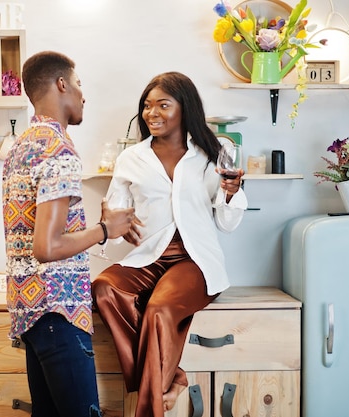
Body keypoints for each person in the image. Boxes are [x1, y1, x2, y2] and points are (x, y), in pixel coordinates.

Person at [92, 72, 248, 417]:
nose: (152, 113)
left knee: (158, 310)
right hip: (148, 258)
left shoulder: (214, 153)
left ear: (184, 108)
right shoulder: (131, 158)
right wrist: (111, 221)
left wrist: (230, 194)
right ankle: (172, 376)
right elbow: (117, 219)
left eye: (163, 105)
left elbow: (227, 223)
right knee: (103, 288)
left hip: (193, 262)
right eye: (147, 106)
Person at [1, 51, 134, 417]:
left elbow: (39, 233)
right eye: (78, 84)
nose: (83, 94)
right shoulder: (59, 148)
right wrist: (105, 230)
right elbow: (48, 246)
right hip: (59, 312)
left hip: (30, 313)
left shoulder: (21, 148)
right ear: (61, 84)